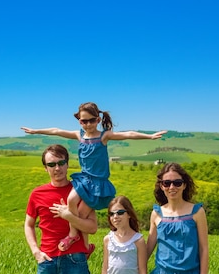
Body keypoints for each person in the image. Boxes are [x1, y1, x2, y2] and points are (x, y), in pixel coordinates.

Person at [22, 102, 167, 255]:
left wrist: (149, 136)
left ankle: (84, 246)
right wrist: (35, 131)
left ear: (98, 120)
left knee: (82, 215)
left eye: (92, 120)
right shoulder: (79, 135)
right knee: (71, 201)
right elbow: (56, 131)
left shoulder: (104, 136)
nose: (88, 124)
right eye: (84, 121)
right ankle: (75, 238)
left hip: (98, 183)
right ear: (79, 121)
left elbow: (128, 134)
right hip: (84, 179)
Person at [24, 144, 98, 274]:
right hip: (47, 261)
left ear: (68, 163)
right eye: (52, 164)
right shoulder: (37, 194)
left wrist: (68, 215)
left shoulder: (80, 192)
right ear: (45, 168)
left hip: (75, 259)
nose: (57, 168)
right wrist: (35, 252)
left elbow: (92, 227)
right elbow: (28, 225)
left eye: (61, 163)